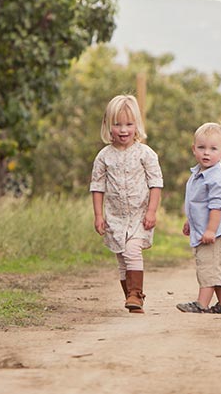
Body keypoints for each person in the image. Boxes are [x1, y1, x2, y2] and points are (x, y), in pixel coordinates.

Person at [90, 95, 163, 313]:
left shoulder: (145, 153)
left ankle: (135, 294)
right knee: (122, 258)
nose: (123, 130)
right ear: (107, 125)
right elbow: (97, 187)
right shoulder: (104, 156)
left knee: (132, 251)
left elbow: (156, 183)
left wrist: (152, 211)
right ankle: (131, 298)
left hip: (139, 216)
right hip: (116, 217)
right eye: (117, 124)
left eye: (129, 124)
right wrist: (98, 215)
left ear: (137, 125)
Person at [177, 123, 221, 314]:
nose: (206, 153)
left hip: (217, 233)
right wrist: (191, 222)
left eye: (213, 149)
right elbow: (198, 205)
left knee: (208, 269)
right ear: (194, 149)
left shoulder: (217, 179)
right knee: (216, 270)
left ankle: (201, 304)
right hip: (208, 231)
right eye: (201, 147)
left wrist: (211, 230)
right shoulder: (198, 174)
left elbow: (216, 208)